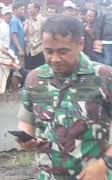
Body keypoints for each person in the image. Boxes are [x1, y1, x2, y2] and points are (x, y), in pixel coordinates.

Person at [17, 15, 112, 180]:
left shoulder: (104, 78)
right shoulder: (34, 79)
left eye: (63, 51)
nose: (54, 59)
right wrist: (26, 138)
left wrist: (105, 163)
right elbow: (26, 121)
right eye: (48, 51)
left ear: (80, 44)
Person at [25, 2, 46, 70]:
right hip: (29, 50)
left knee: (38, 71)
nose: (28, 10)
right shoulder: (27, 21)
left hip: (39, 50)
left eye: (30, 8)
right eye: (27, 8)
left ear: (36, 9)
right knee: (28, 71)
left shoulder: (43, 20)